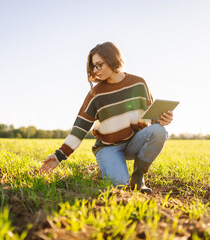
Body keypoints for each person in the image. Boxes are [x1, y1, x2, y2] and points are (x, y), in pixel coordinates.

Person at [39, 42, 173, 193]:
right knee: (120, 186)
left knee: (159, 131)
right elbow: (80, 128)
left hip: (133, 142)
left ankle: (138, 178)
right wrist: (59, 155)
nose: (96, 71)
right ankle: (109, 166)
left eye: (99, 65)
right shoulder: (95, 94)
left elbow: (150, 116)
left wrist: (162, 119)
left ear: (112, 59)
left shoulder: (139, 84)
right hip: (108, 148)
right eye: (93, 67)